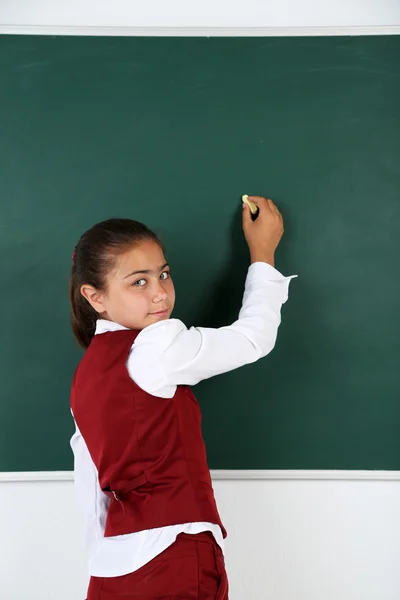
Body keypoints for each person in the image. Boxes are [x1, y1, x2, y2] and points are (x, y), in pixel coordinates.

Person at [69, 196, 296, 600]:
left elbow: (90, 487)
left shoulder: (86, 376)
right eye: (139, 281)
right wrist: (263, 253)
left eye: (164, 274)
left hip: (112, 569)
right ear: (95, 297)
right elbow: (251, 339)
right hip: (174, 553)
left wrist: (103, 558)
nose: (160, 293)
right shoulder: (156, 347)